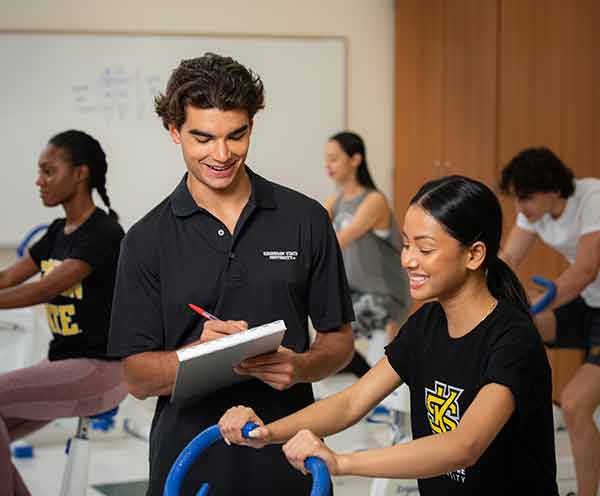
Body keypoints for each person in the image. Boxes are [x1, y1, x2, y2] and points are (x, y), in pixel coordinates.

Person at [107, 53, 354, 496]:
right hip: (189, 458)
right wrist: (195, 356)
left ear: (251, 127)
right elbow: (138, 377)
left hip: (288, 451)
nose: (221, 155)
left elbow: (339, 342)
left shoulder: (306, 219)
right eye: (202, 138)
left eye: (235, 136)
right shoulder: (146, 240)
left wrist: (301, 366)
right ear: (174, 131)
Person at [220, 175, 559, 495]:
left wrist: (342, 462)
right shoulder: (426, 323)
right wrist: (268, 431)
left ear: (474, 254)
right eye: (407, 244)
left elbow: (464, 445)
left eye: (425, 250)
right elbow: (352, 402)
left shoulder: (513, 338)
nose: (408, 260)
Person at [0, 130, 127, 496]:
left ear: (80, 173)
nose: (39, 181)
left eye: (48, 171)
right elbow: (10, 275)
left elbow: (46, 288)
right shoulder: (58, 230)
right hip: (62, 365)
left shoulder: (104, 232)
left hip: (101, 370)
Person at [499, 147, 600, 496]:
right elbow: (508, 257)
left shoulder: (592, 197)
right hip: (588, 303)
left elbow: (586, 269)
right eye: (516, 198)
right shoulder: (534, 211)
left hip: (590, 296)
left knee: (573, 404)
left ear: (553, 190)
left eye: (525, 198)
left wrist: (537, 302)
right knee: (517, 331)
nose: (520, 208)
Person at [324, 131, 410, 377]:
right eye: (326, 159)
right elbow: (316, 230)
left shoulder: (374, 201)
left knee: (335, 335)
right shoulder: (336, 200)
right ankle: (366, 379)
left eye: (334, 158)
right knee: (323, 325)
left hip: (384, 295)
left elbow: (341, 240)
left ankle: (369, 381)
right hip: (355, 292)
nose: (327, 165)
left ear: (355, 159)